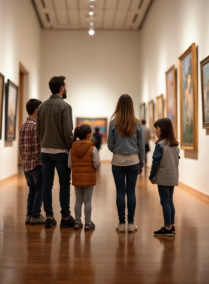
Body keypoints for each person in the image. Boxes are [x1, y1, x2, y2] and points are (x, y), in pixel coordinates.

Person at [37, 76, 75, 229]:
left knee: (47, 184)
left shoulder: (41, 107)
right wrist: (70, 146)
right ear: (61, 88)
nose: (66, 88)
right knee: (64, 184)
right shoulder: (65, 106)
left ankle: (49, 216)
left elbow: (39, 130)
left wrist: (44, 142)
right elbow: (67, 132)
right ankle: (65, 217)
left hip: (45, 151)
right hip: (61, 152)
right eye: (66, 86)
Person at [107, 94, 145, 233]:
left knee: (120, 192)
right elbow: (141, 146)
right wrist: (141, 163)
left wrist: (117, 150)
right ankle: (131, 223)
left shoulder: (113, 123)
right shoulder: (137, 123)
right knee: (131, 192)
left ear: (119, 105)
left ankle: (121, 223)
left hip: (117, 161)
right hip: (133, 160)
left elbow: (110, 145)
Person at [149, 118, 180, 237]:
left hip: (163, 177)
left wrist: (151, 176)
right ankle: (171, 225)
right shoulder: (174, 145)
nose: (155, 131)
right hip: (172, 176)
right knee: (170, 200)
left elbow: (155, 162)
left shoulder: (160, 145)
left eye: (157, 128)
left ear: (163, 129)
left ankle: (167, 228)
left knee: (165, 201)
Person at [68, 124, 101, 231]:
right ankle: (87, 223)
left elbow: (69, 165)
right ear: (89, 135)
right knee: (87, 201)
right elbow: (97, 164)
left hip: (77, 178)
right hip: (89, 179)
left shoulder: (72, 147)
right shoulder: (92, 148)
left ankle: (77, 222)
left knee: (78, 200)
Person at [19, 99, 45, 225]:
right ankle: (35, 215)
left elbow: (20, 148)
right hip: (35, 165)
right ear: (36, 110)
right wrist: (42, 162)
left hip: (25, 165)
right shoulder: (35, 127)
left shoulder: (23, 127)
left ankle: (29, 215)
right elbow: (36, 148)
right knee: (39, 189)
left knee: (32, 189)